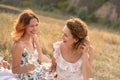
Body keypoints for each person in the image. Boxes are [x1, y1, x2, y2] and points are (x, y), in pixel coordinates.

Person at [11, 9, 50, 80]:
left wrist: (51, 63)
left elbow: (40, 57)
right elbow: (14, 70)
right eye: (32, 26)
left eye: (36, 25)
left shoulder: (34, 37)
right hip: (27, 76)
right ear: (24, 26)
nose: (35, 29)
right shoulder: (19, 45)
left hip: (38, 72)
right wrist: (27, 68)